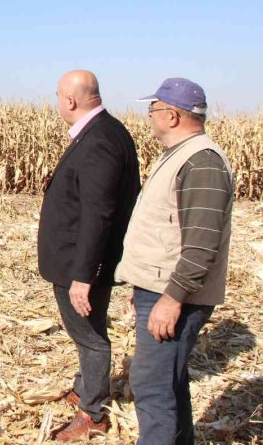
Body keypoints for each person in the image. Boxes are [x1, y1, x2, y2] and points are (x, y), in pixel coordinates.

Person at [115, 78, 233, 445]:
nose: (149, 116)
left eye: (153, 110)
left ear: (172, 114)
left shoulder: (202, 163)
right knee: (169, 381)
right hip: (161, 288)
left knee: (151, 385)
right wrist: (144, 284)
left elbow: (200, 246)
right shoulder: (181, 156)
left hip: (176, 294)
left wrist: (170, 299)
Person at [37, 70, 140, 441]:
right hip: (80, 260)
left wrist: (84, 275)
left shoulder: (99, 140)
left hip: (81, 265)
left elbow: (99, 213)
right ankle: (85, 388)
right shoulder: (106, 132)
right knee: (86, 334)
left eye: (58, 97)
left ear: (70, 101)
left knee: (91, 337)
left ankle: (92, 412)